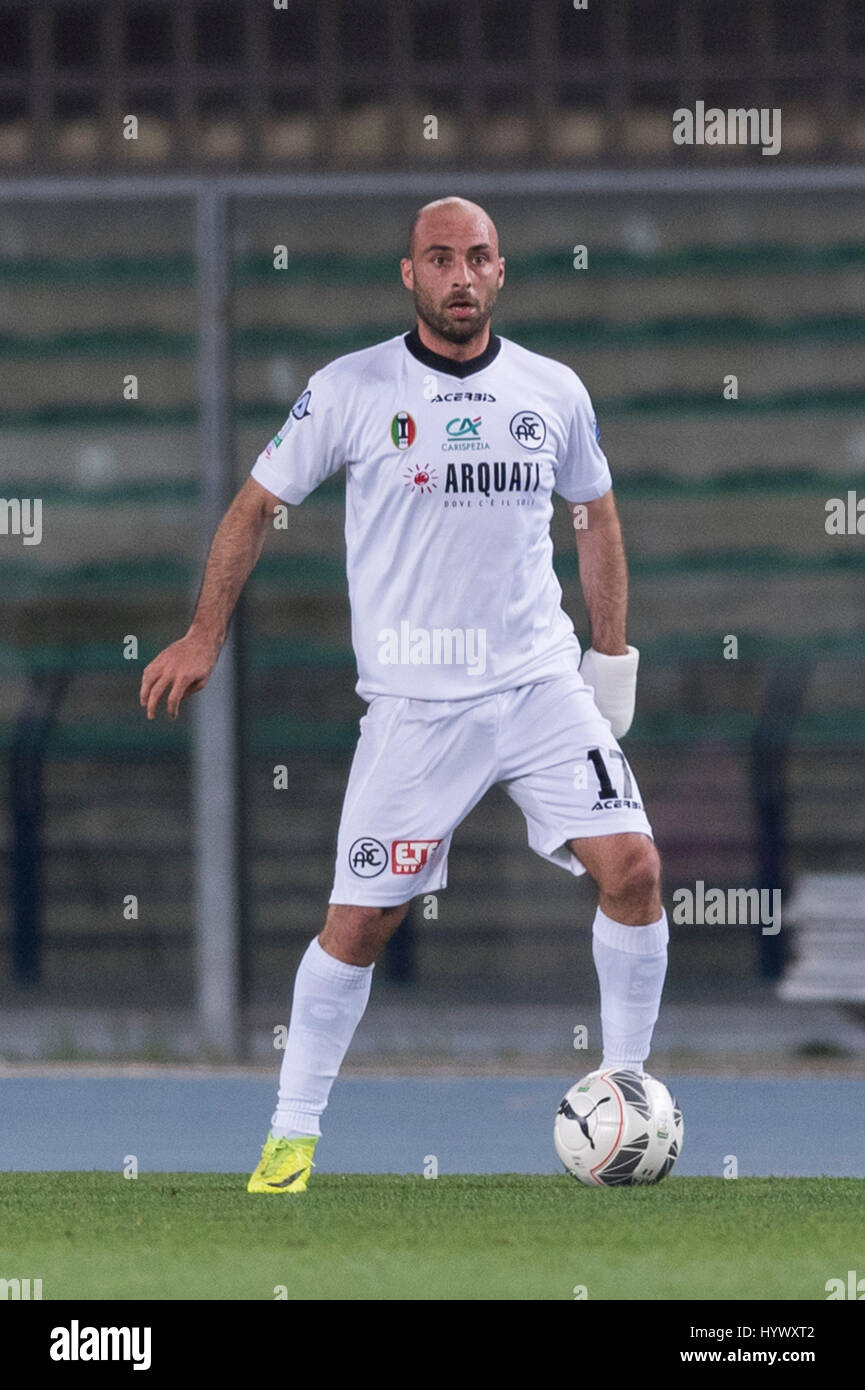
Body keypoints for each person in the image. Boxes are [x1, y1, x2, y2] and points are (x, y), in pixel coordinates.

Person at [139, 197, 668, 1195]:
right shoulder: (349, 390)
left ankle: (628, 1091)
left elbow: (594, 517)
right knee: (359, 926)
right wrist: (205, 630)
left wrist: (609, 661)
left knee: (634, 866)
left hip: (538, 686)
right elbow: (256, 507)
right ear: (409, 275)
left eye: (475, 258)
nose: (459, 274)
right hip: (416, 709)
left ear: (499, 273)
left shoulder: (552, 391)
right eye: (439, 258)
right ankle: (290, 1141)